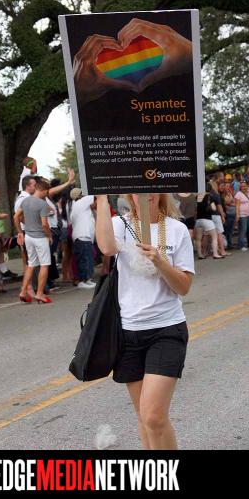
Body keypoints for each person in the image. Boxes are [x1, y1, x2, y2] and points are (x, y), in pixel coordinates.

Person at [95, 193, 194, 450]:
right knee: (143, 416)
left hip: (166, 329)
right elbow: (106, 248)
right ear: (130, 195)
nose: (145, 194)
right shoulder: (120, 225)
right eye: (138, 189)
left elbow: (183, 287)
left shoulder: (177, 230)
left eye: (151, 188)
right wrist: (101, 197)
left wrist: (160, 262)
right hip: (128, 332)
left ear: (160, 192)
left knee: (153, 416)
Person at [13, 179, 53, 304]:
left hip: (28, 236)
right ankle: (40, 293)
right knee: (44, 264)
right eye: (47, 192)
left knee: (31, 264)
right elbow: (44, 224)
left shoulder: (25, 200)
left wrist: (20, 231)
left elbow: (16, 216)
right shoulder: (42, 204)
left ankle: (23, 291)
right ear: (44, 190)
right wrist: (49, 236)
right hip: (40, 237)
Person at [70, 188, 98, 289]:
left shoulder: (78, 206)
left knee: (86, 259)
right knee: (85, 260)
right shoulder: (81, 203)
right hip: (83, 236)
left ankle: (86, 279)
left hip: (82, 237)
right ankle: (84, 280)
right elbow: (95, 194)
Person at [195, 186, 222, 259]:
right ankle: (215, 254)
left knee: (198, 238)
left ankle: (200, 254)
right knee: (214, 237)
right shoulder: (209, 197)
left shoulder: (197, 197)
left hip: (198, 220)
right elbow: (214, 208)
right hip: (207, 219)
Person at [209, 180, 228, 257]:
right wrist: (222, 216)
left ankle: (210, 251)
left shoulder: (208, 194)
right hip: (216, 215)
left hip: (208, 216)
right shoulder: (216, 194)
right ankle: (222, 251)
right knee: (219, 233)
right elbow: (219, 206)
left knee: (211, 235)